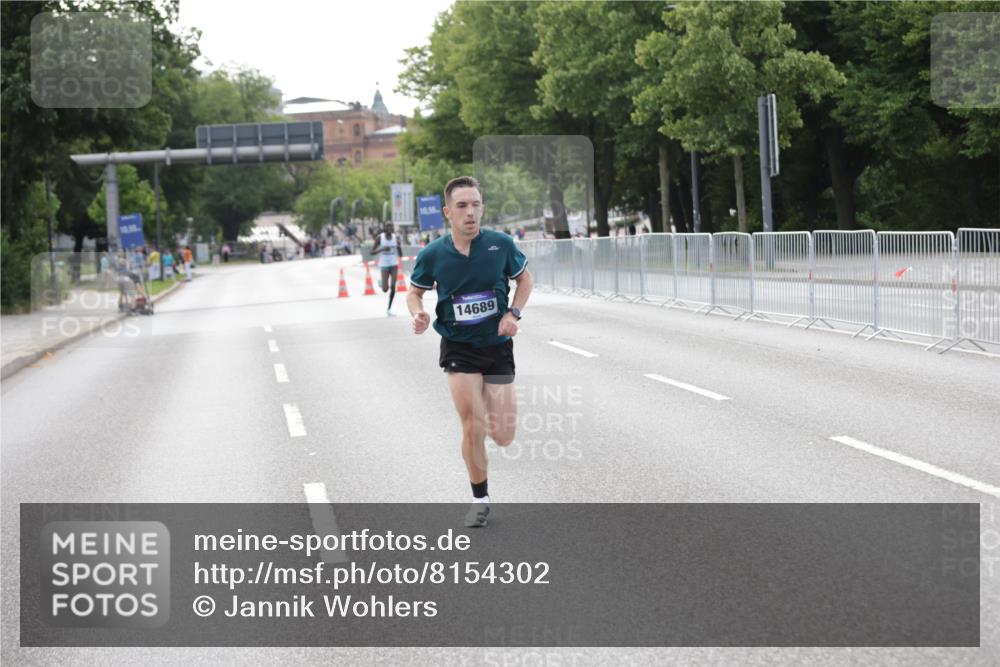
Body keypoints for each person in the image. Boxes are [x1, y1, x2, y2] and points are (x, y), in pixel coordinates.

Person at [407, 176, 533, 528]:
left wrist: (513, 313)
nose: (470, 212)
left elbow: (525, 279)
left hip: (497, 347)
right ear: (448, 212)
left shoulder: (500, 245)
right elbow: (414, 292)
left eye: (476, 204)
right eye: (462, 206)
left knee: (504, 435)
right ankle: (480, 499)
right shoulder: (433, 254)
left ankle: (494, 426)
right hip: (459, 348)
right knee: (472, 425)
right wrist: (417, 312)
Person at [371, 221, 403, 316]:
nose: (389, 228)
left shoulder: (395, 238)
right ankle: (382, 282)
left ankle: (389, 308)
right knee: (385, 289)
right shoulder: (380, 238)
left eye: (391, 226)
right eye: (387, 226)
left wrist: (399, 246)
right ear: (384, 228)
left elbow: (400, 255)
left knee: (393, 287)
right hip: (384, 264)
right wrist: (382, 249)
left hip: (394, 264)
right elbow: (371, 252)